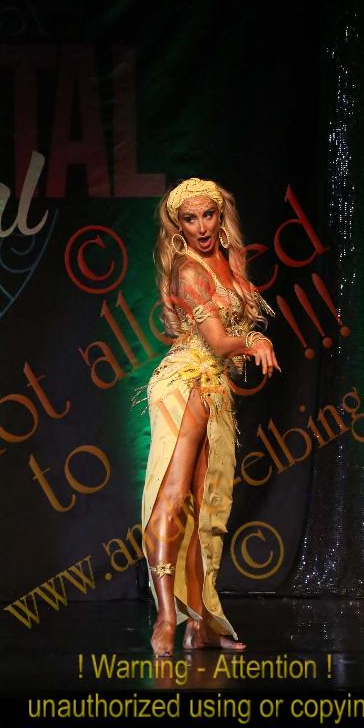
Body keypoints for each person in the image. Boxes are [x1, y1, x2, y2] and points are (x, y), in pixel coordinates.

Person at [131, 177, 281, 657]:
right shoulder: (189, 271)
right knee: (174, 498)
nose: (201, 227)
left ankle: (200, 624)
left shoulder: (231, 262)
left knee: (206, 510)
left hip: (213, 389)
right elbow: (217, 341)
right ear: (178, 225)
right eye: (189, 219)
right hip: (186, 382)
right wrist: (254, 340)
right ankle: (165, 616)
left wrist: (250, 340)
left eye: (208, 215)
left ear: (221, 216)